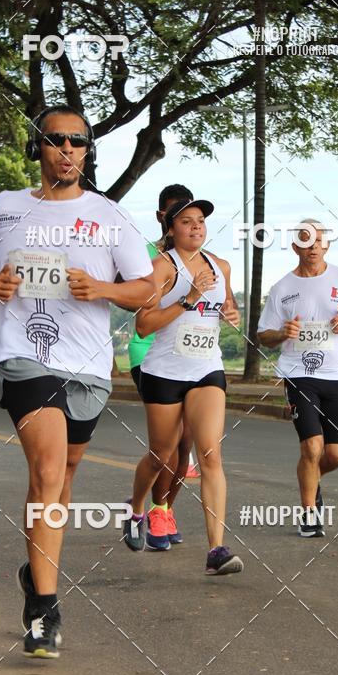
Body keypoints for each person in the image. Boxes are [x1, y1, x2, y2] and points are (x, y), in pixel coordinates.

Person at [0, 104, 156, 657]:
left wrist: (103, 290)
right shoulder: (5, 209)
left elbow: (146, 287)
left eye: (78, 141)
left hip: (88, 366)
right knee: (48, 472)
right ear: (39, 148)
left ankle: (35, 571)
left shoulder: (109, 215)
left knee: (63, 479)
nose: (68, 149)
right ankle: (44, 610)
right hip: (23, 356)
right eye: (56, 140)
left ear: (87, 151)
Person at [122, 197, 244, 575]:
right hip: (164, 372)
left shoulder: (219, 266)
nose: (196, 227)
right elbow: (144, 325)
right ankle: (136, 509)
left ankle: (216, 550)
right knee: (161, 454)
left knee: (210, 454)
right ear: (171, 229)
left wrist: (230, 313)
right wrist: (189, 300)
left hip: (206, 369)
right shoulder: (159, 268)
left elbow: (228, 308)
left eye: (201, 222)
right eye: (187, 222)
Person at [257, 219, 338, 538]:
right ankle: (309, 513)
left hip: (336, 375)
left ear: (327, 244)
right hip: (298, 374)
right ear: (296, 247)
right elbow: (264, 334)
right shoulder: (282, 288)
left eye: (319, 240)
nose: (314, 245)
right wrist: (282, 333)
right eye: (306, 240)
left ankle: (310, 479)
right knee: (312, 446)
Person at [127, 184, 195, 550]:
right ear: (162, 219)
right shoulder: (147, 258)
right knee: (167, 445)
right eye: (176, 214)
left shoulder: (204, 259)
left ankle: (162, 509)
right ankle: (152, 508)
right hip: (148, 354)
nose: (184, 223)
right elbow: (135, 306)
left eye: (191, 216)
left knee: (185, 443)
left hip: (190, 359)